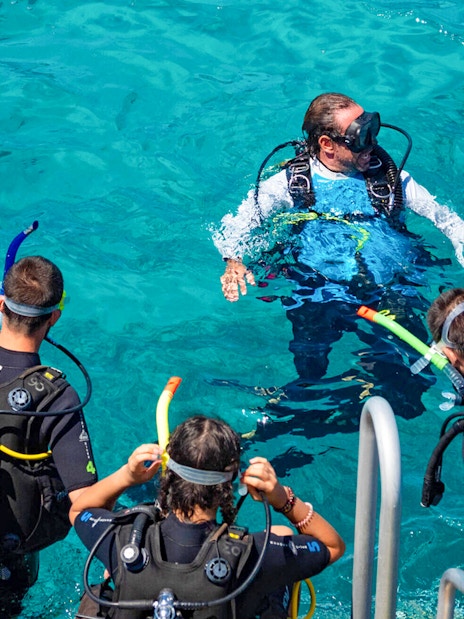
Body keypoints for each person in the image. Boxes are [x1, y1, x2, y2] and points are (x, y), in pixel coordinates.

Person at [213, 92, 464, 426]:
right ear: (327, 144)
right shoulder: (288, 184)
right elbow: (240, 224)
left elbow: (447, 221)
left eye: (373, 129)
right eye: (360, 137)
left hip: (390, 290)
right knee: (310, 374)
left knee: (410, 391)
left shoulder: (392, 179)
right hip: (318, 290)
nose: (372, 144)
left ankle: (360, 392)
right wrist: (234, 261)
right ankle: (307, 410)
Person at [70, 415, 345, 619]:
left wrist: (126, 476)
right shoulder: (253, 555)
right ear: (233, 480)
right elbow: (332, 546)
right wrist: (283, 500)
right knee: (283, 536)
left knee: (112, 573)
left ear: (168, 474)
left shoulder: (124, 540)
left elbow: (79, 510)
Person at [0, 256, 98, 617]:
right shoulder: (58, 397)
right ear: (54, 316)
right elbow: (84, 500)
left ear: (1, 304)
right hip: (10, 563)